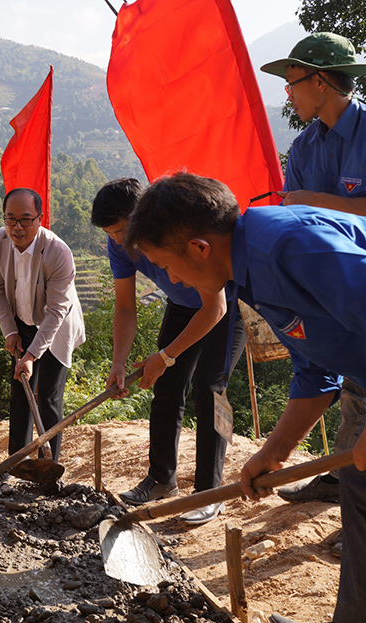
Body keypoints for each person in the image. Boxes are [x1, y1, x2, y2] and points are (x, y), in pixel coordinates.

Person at [125, 171, 366, 623]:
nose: (173, 280)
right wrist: (274, 452)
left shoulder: (286, 248)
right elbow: (316, 368)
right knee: (364, 490)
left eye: (168, 266)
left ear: (199, 248)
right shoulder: (249, 273)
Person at [260, 32, 366, 504]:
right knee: (351, 377)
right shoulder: (306, 147)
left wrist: (315, 203)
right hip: (334, 288)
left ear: (322, 81)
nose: (286, 93)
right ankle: (352, 485)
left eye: (292, 82)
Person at [91, 179, 246, 524]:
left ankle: (209, 491)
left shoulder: (173, 232)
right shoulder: (119, 245)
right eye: (111, 233)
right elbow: (126, 308)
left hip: (227, 305)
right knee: (165, 385)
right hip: (182, 305)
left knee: (210, 388)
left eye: (120, 230)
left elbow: (214, 308)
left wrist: (165, 355)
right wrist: (119, 363)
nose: (117, 239)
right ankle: (162, 479)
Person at [0, 188, 85, 461]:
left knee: (49, 397)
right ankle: (16, 462)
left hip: (57, 325)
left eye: (25, 219)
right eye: (10, 219)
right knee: (20, 391)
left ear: (39, 219)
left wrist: (32, 355)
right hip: (21, 321)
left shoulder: (57, 252)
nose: (17, 227)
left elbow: (56, 311)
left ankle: (48, 463)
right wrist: (10, 331)